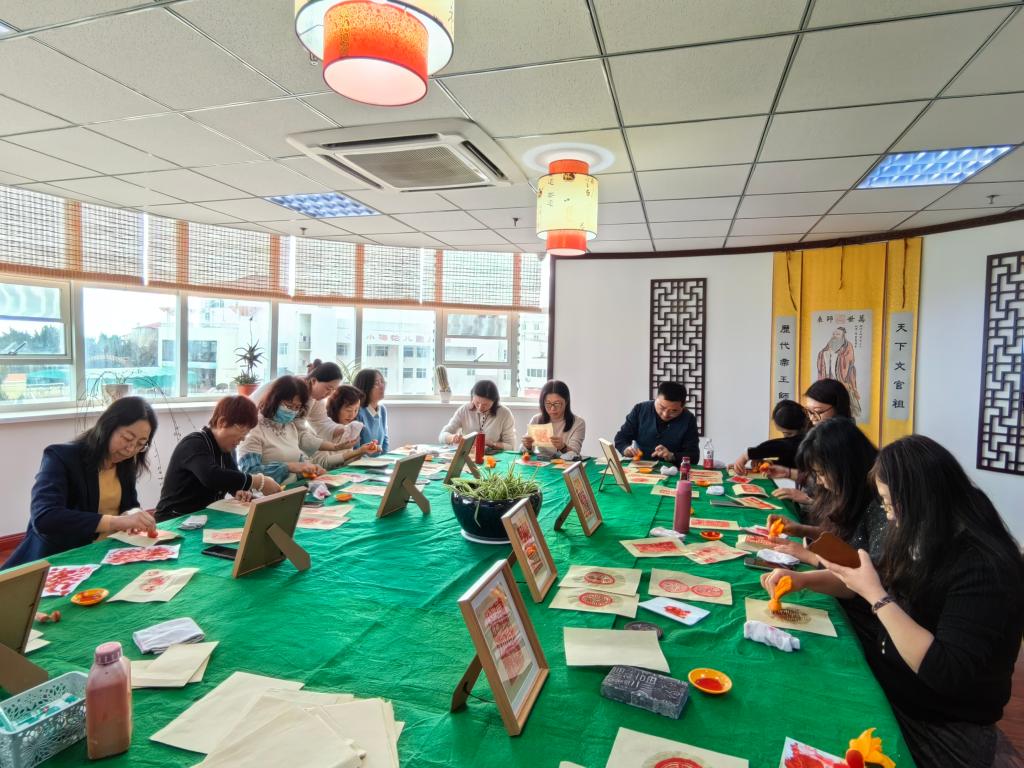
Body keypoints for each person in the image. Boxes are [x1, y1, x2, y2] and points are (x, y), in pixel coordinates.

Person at [762, 436, 1023, 768]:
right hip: (892, 685)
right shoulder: (924, 532)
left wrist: (877, 596)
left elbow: (945, 671)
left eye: (887, 503)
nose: (886, 513)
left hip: (939, 727)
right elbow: (860, 582)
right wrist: (801, 580)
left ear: (916, 499)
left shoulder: (983, 567)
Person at [4, 397, 158, 568]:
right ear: (108, 427)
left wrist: (133, 513)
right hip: (59, 559)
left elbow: (128, 505)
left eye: (140, 444)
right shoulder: (61, 457)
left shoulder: (124, 463)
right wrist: (115, 522)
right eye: (127, 438)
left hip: (107, 553)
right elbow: (45, 518)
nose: (131, 449)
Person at [768, 417, 885, 566]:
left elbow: (870, 571)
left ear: (845, 468)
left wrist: (810, 557)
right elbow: (842, 538)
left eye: (821, 473)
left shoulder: (881, 504)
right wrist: (801, 530)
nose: (818, 482)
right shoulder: (849, 493)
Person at [155, 396, 283, 521]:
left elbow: (232, 477)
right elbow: (211, 476)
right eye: (242, 431)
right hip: (174, 519)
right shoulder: (194, 443)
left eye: (247, 433)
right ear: (222, 422)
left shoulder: (225, 448)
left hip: (202, 518)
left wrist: (239, 491)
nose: (243, 438)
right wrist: (259, 481)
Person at [237, 376, 343, 483]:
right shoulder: (254, 428)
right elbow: (250, 472)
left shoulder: (289, 426)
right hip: (266, 492)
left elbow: (298, 460)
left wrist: (312, 468)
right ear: (274, 399)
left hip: (291, 489)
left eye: (297, 407)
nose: (292, 411)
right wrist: (288, 467)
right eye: (288, 406)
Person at [768, 378, 852, 504]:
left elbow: (845, 500)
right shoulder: (817, 433)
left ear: (838, 408)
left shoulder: (845, 442)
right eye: (809, 412)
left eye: (817, 412)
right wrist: (787, 472)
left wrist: (809, 500)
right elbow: (818, 478)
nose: (812, 418)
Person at [251, 360, 345, 443]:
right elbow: (298, 429)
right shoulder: (293, 388)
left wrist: (344, 430)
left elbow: (321, 422)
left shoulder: (315, 397)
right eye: (328, 388)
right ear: (313, 381)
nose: (329, 394)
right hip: (255, 427)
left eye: (333, 390)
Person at [613, 381, 699, 465]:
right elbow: (621, 438)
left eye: (673, 411)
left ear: (683, 406)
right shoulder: (640, 410)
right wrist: (626, 449)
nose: (665, 414)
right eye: (662, 407)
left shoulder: (689, 419)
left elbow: (694, 456)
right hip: (639, 467)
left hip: (672, 470)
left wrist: (672, 455)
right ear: (656, 398)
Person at [728, 399, 809, 474]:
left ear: (803, 426)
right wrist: (767, 463)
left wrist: (748, 454)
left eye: (789, 434)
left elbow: (786, 445)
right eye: (783, 433)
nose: (786, 438)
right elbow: (790, 458)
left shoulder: (810, 438)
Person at [439, 380, 516, 451]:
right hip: (467, 456)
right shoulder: (464, 410)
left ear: (494, 401)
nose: (480, 407)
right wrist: (452, 438)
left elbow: (511, 447)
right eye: (477, 402)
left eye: (485, 404)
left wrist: (492, 444)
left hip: (494, 458)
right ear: (472, 397)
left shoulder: (505, 413)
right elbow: (442, 436)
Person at [314, 384, 378, 468]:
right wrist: (358, 451)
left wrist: (363, 451)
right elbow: (323, 463)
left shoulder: (349, 428)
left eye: (356, 410)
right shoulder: (322, 427)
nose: (352, 415)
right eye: (348, 410)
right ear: (335, 408)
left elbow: (345, 462)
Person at [521, 380, 585, 460]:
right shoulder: (536, 419)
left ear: (566, 402)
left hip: (565, 464)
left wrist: (563, 447)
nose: (552, 409)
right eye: (548, 404)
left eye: (557, 403)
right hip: (542, 463)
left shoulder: (578, 423)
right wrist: (527, 445)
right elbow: (524, 451)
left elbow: (575, 453)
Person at [353, 368, 389, 456]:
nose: (382, 386)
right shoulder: (357, 412)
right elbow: (355, 449)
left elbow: (385, 440)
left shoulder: (382, 409)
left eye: (382, 382)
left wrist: (386, 459)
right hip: (361, 462)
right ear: (365, 387)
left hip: (380, 462)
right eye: (376, 383)